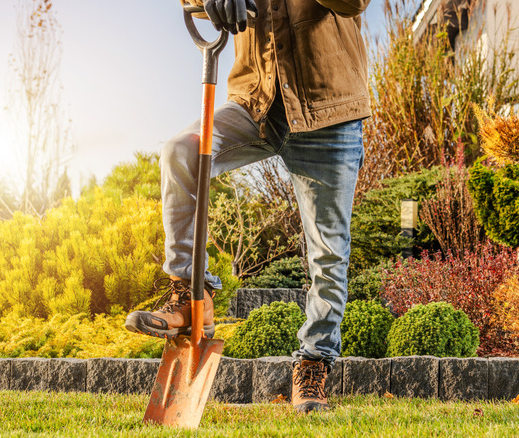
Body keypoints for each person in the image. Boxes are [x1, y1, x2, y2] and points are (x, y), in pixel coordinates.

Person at [125, 0, 371, 413]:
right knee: (180, 153)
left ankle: (313, 364)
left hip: (328, 110)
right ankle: (190, 295)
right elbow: (192, 4)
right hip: (254, 105)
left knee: (328, 254)